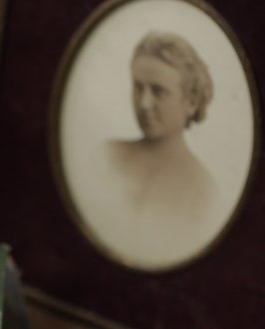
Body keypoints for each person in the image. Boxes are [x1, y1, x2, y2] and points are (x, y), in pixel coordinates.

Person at [79, 31, 224, 269]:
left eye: (158, 91)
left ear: (191, 102)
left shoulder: (204, 195)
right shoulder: (106, 157)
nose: (144, 103)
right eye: (138, 88)